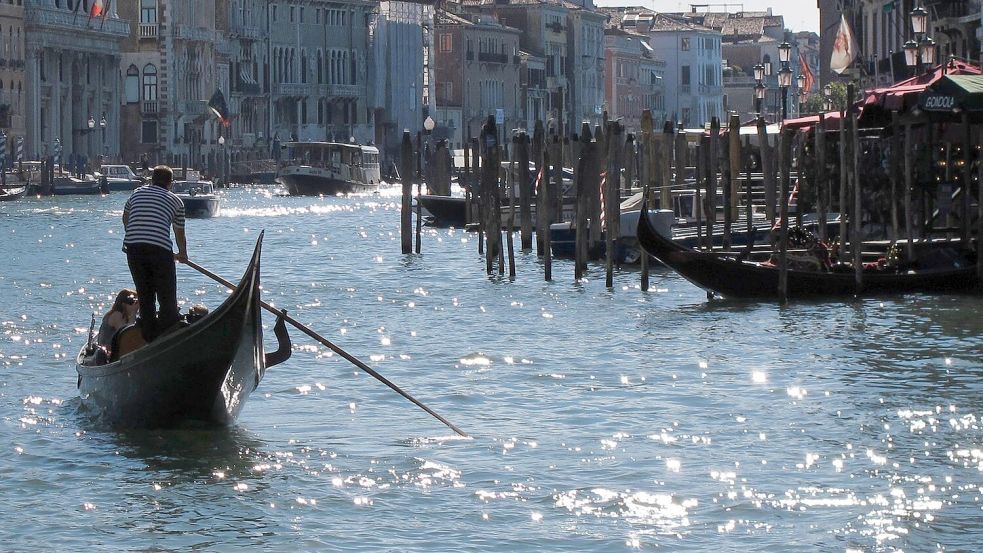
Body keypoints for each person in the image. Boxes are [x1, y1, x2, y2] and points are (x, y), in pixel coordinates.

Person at [122, 165, 188, 342]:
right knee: (167, 297)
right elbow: (179, 231)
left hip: (133, 248)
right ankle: (168, 336)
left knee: (145, 295)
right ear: (170, 183)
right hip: (159, 250)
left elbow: (126, 217)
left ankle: (149, 337)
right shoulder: (176, 201)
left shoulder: (136, 193)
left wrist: (132, 234)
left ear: (151, 180)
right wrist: (182, 254)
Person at [96, 289, 139, 354]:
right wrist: (134, 312)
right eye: (132, 303)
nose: (135, 306)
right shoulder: (116, 315)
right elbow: (127, 334)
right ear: (123, 304)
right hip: (107, 353)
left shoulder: (125, 316)